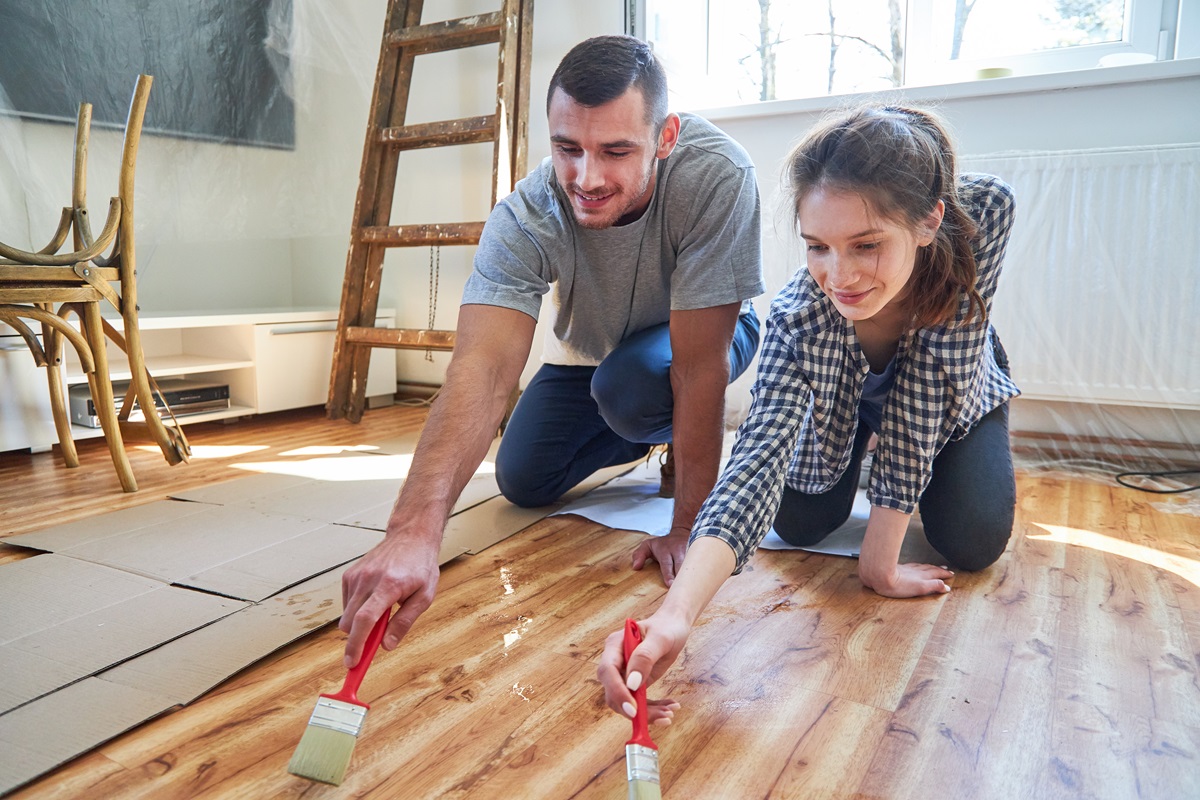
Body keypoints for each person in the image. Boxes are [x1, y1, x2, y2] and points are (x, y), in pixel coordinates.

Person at [339, 35, 765, 668]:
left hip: (703, 339)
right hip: (597, 355)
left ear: (666, 136)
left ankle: (665, 434)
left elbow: (700, 367)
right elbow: (480, 373)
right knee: (524, 479)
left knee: (635, 384)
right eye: (568, 149)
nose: (586, 178)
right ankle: (644, 431)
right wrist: (412, 533)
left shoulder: (717, 177)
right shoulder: (526, 215)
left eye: (616, 151)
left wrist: (687, 528)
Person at [597, 104, 1019, 724]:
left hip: (953, 396)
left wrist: (879, 559)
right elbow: (756, 458)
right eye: (817, 246)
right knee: (796, 521)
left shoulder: (976, 229)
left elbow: (921, 403)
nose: (838, 275)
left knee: (974, 542)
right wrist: (675, 614)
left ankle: (906, 470)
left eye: (867, 245)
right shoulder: (802, 315)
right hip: (849, 406)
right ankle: (854, 449)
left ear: (929, 222)